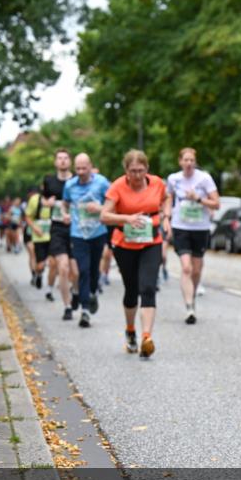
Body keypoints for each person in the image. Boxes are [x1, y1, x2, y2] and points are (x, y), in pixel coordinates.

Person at [101, 149, 171, 359]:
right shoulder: (118, 187)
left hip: (151, 242)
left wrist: (166, 216)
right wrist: (127, 219)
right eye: (133, 171)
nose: (137, 175)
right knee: (131, 290)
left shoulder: (157, 183)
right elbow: (104, 216)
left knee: (148, 287)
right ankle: (131, 330)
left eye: (141, 170)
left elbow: (167, 198)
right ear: (126, 171)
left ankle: (146, 337)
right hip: (124, 245)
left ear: (147, 169)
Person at [166, 147, 220, 324]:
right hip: (180, 226)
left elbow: (216, 204)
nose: (188, 163)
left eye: (191, 160)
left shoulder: (204, 179)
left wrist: (198, 199)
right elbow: (167, 199)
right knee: (186, 267)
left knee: (196, 270)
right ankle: (189, 306)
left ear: (195, 162)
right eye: (185, 160)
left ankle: (192, 295)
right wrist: (166, 218)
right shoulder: (174, 179)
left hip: (200, 228)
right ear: (180, 161)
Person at [63, 154, 110, 328]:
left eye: (84, 168)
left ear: (91, 166)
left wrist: (100, 208)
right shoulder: (70, 185)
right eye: (78, 169)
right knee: (82, 270)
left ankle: (92, 293)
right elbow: (65, 204)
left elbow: (113, 203)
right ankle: (85, 310)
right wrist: (65, 214)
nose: (81, 172)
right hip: (78, 233)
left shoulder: (102, 183)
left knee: (93, 270)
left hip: (98, 232)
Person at [42, 150, 79, 312]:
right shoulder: (49, 180)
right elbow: (43, 200)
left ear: (70, 161)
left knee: (76, 272)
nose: (62, 161)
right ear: (55, 162)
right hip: (57, 228)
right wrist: (47, 203)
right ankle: (67, 305)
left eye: (65, 158)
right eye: (59, 158)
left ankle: (76, 291)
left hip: (76, 227)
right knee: (62, 267)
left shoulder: (77, 180)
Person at [24, 185, 51, 289]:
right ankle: (34, 274)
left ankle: (40, 273)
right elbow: (27, 216)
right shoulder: (34, 200)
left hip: (50, 234)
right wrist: (35, 228)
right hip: (32, 232)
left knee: (48, 260)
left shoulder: (56, 199)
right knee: (32, 253)